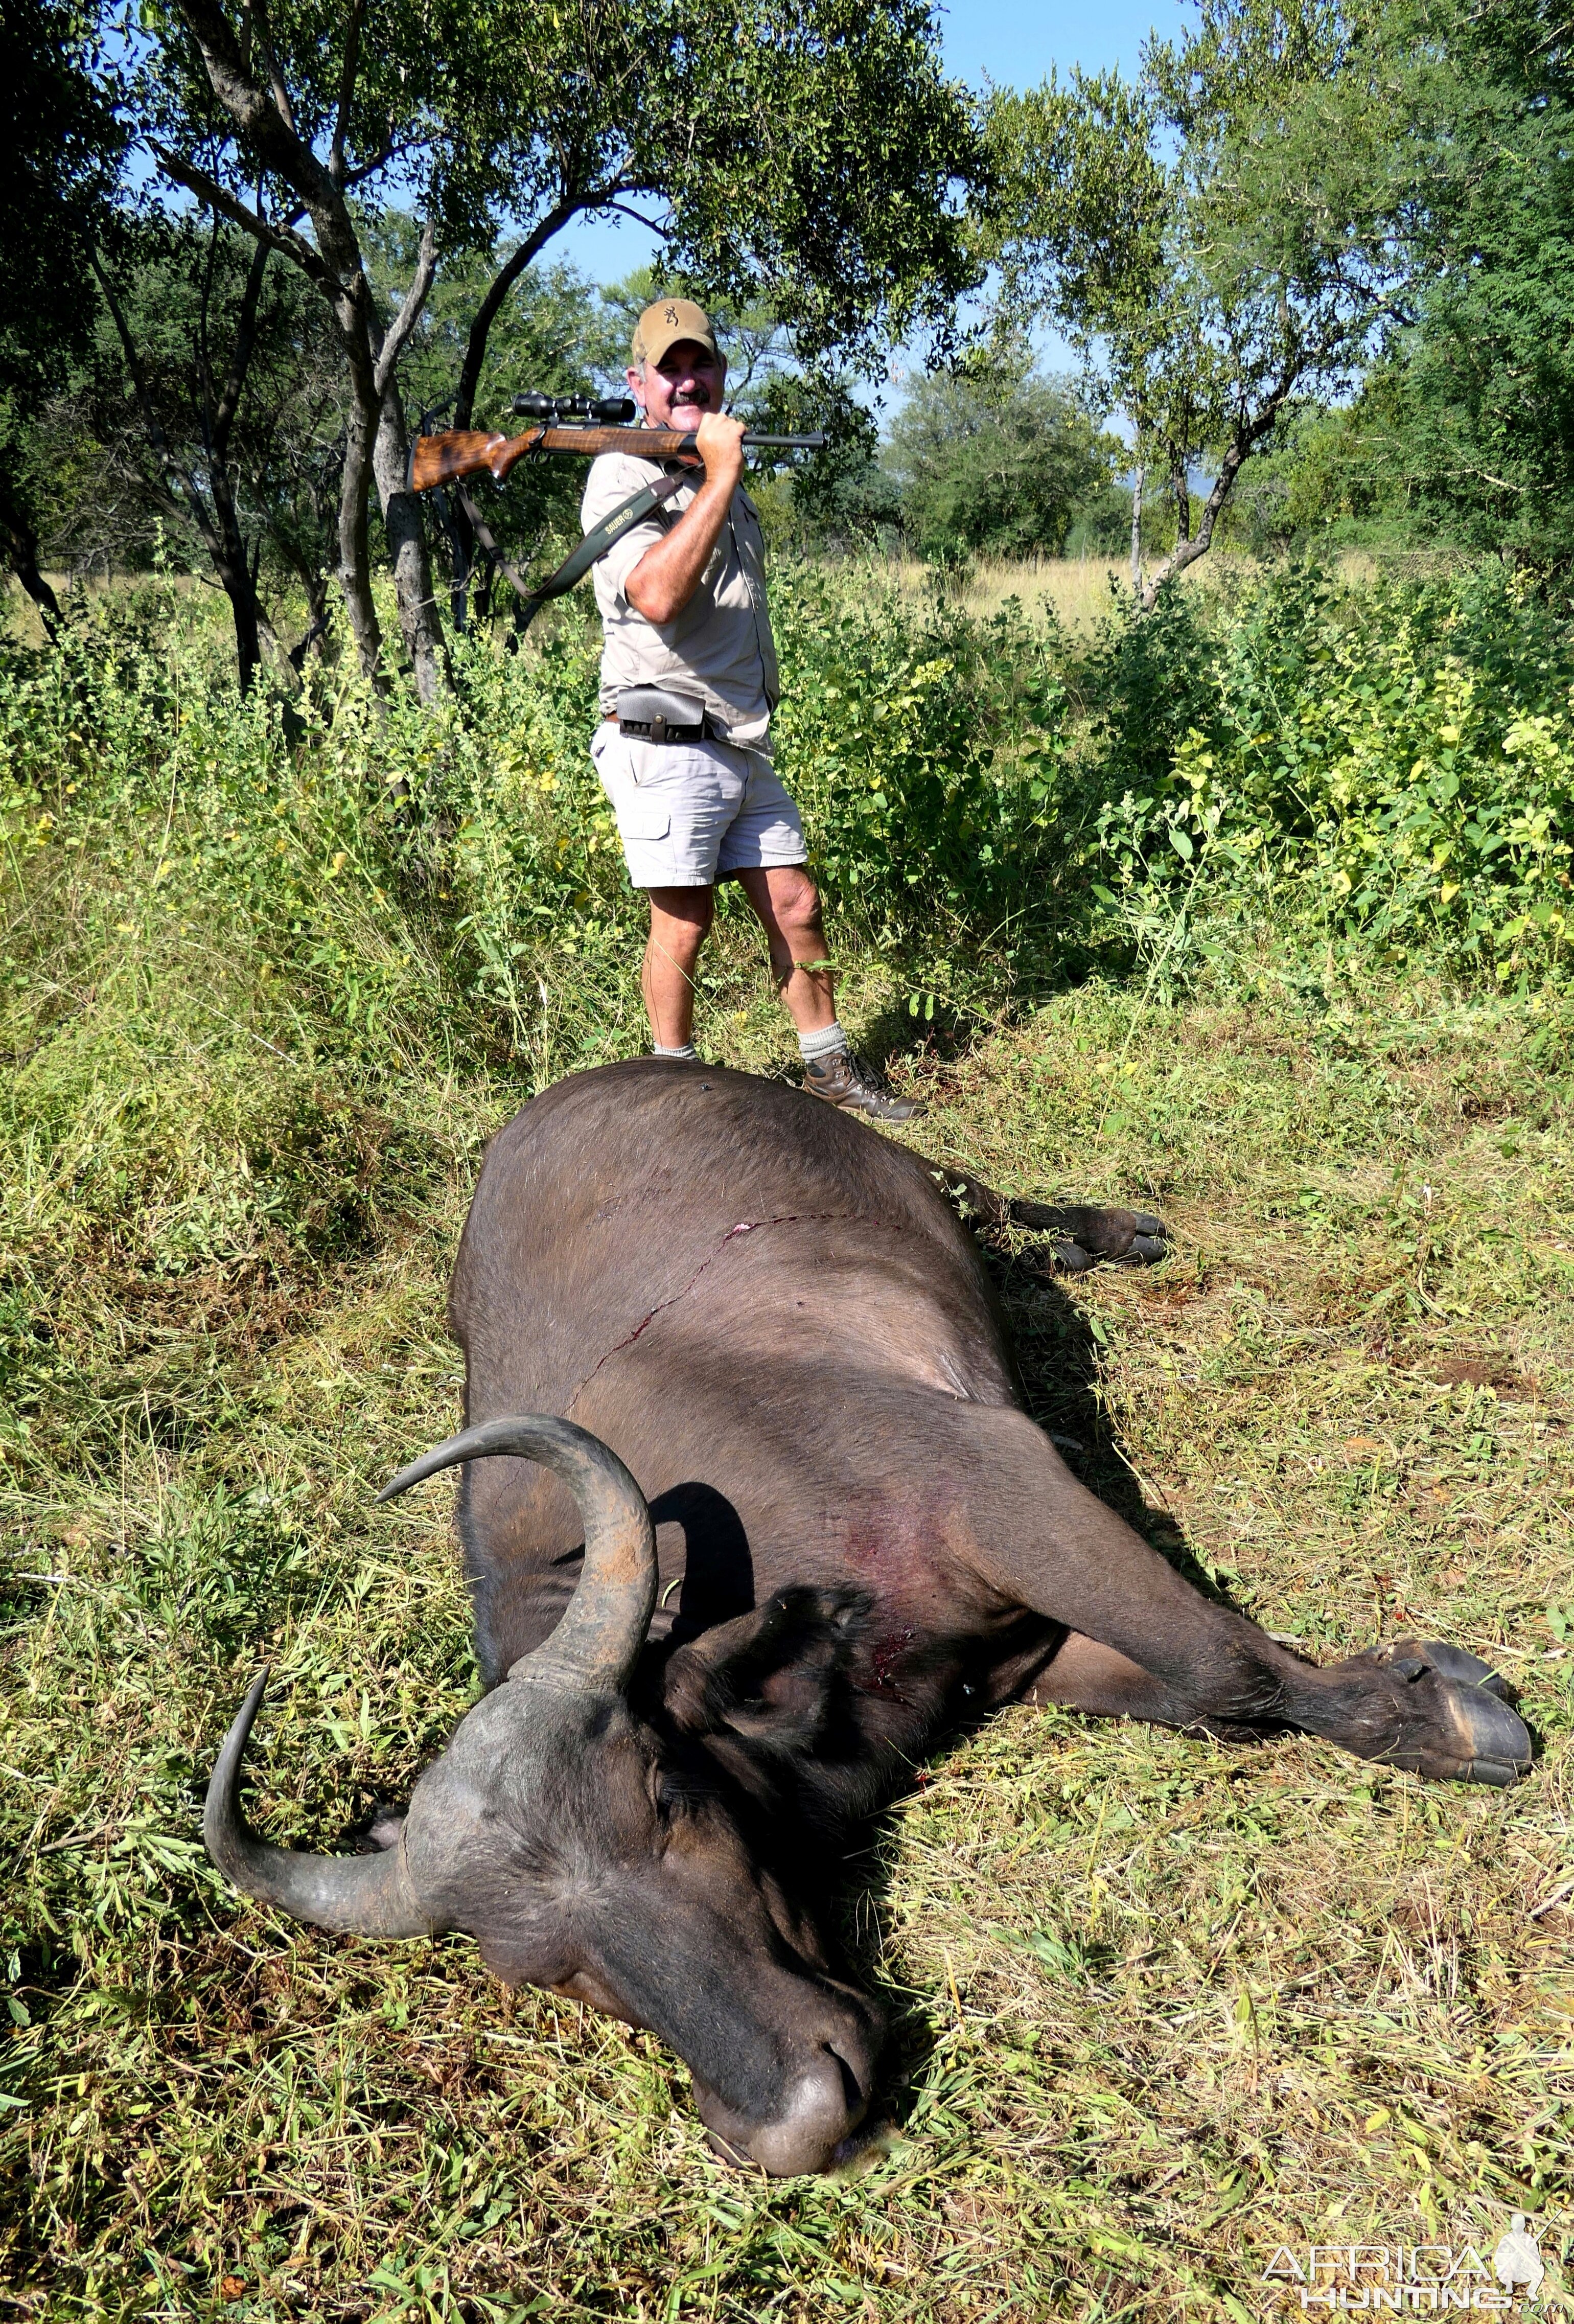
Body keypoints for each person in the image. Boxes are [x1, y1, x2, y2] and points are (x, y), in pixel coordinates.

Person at [581, 296, 922, 1122]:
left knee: (796, 901)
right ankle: (672, 1093)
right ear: (639, 384)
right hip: (664, 739)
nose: (688, 380)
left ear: (722, 374)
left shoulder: (714, 476)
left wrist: (717, 473)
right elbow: (658, 595)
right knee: (685, 922)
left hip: (737, 740)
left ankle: (827, 1068)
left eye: (701, 364)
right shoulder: (622, 473)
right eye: (670, 370)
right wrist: (721, 472)